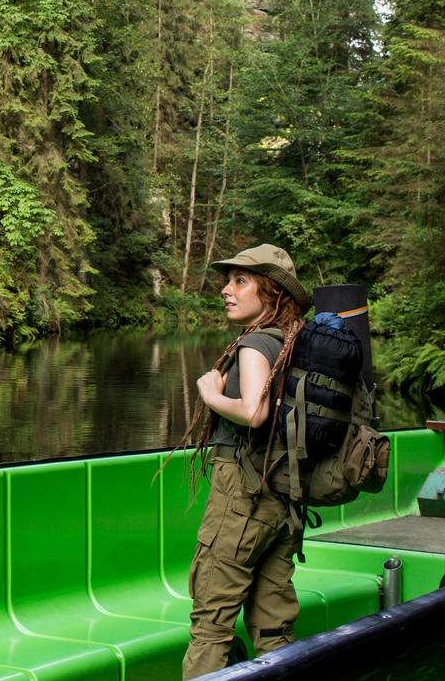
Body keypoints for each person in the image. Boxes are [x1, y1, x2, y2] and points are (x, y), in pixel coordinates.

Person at [180, 244, 310, 679]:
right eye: (228, 280)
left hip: (244, 499)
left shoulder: (256, 344)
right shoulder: (293, 342)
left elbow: (255, 412)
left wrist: (212, 395)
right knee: (273, 627)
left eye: (240, 281)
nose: (226, 290)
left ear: (270, 292)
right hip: (284, 500)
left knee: (211, 627)